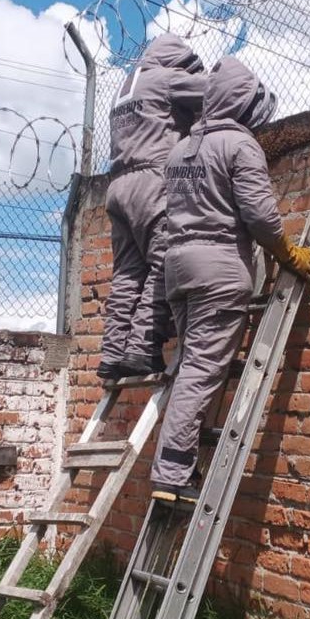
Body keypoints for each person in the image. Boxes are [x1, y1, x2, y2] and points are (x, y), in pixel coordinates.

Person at [149, 57, 310, 503]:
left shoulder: (179, 149)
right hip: (218, 270)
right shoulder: (239, 147)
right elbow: (260, 216)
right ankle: (172, 473)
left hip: (178, 269)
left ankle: (177, 461)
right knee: (203, 370)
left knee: (191, 366)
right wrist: (286, 254)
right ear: (242, 105)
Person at [97, 33, 206, 381]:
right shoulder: (166, 77)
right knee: (164, 260)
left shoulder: (125, 87)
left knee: (128, 274)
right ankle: (143, 346)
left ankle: (113, 353)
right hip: (152, 181)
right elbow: (216, 92)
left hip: (117, 186)